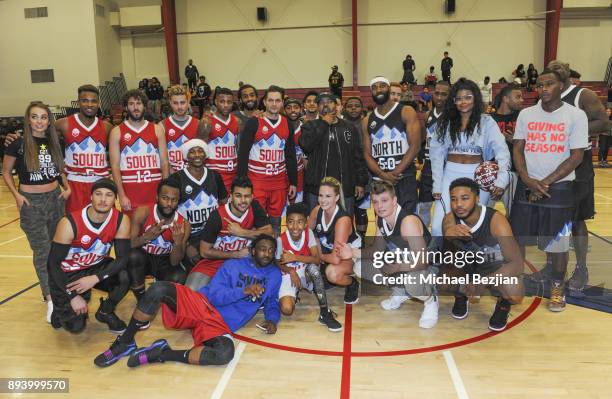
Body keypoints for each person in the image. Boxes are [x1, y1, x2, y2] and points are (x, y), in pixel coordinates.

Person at [93, 234, 281, 368]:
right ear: (252, 251)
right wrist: (244, 291)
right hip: (203, 305)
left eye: (271, 251)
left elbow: (271, 300)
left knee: (225, 353)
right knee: (158, 289)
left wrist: (273, 320)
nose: (267, 254)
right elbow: (215, 296)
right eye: (262, 249)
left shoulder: (274, 275)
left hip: (220, 325)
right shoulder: (233, 265)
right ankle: (125, 342)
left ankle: (162, 353)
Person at [511, 68, 588, 311]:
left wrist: (544, 183)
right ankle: (515, 281)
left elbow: (576, 157)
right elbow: (517, 149)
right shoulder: (526, 114)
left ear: (562, 86)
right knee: (518, 237)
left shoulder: (576, 116)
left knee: (558, 243)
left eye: (549, 84)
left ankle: (558, 286)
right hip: (527, 184)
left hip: (560, 187)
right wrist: (526, 178)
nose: (543, 89)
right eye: (540, 85)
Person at [530, 61, 609, 295]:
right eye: (552, 65)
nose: (556, 66)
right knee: (549, 219)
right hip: (550, 163)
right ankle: (552, 265)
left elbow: (604, 122)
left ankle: (582, 268)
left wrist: (572, 129)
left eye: (560, 65)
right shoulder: (543, 99)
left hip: (579, 164)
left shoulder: (582, 94)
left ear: (566, 74)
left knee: (576, 220)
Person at [2, 102, 70, 322]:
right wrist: (17, 195)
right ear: (28, 119)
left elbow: (59, 169)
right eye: (35, 117)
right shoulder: (18, 144)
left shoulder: (55, 142)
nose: (39, 121)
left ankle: (60, 290)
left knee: (58, 249)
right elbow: (6, 172)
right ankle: (50, 299)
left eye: (43, 117)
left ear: (49, 120)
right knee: (42, 251)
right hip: (31, 202)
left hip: (55, 199)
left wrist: (66, 187)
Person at [4, 85, 112, 213]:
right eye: (84, 100)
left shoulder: (107, 127)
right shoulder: (64, 124)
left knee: (104, 225)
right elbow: (39, 131)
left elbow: (122, 148)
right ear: (78, 102)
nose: (89, 104)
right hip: (74, 183)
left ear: (98, 103)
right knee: (74, 225)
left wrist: (115, 174)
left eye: (93, 101)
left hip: (99, 183)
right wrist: (17, 137)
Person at [429, 78, 511, 237]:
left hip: (478, 177)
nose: (463, 102)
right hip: (449, 175)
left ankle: (473, 260)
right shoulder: (445, 123)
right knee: (439, 226)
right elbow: (436, 156)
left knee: (475, 227)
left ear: (475, 98)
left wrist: (501, 180)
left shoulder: (487, 122)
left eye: (468, 97)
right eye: (458, 98)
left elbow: (502, 152)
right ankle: (441, 260)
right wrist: (437, 185)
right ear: (453, 101)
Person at [47, 179, 131, 333]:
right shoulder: (69, 223)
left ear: (115, 199)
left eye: (109, 195)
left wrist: (95, 278)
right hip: (67, 273)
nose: (103, 199)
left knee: (124, 277)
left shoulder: (121, 220)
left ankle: (105, 311)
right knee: (75, 327)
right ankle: (60, 309)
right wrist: (72, 296)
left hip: (95, 267)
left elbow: (123, 259)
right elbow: (52, 265)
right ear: (91, 197)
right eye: (98, 194)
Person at [442, 178, 524, 331]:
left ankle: (503, 305)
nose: (458, 204)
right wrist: (448, 235)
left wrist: (482, 283)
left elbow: (517, 264)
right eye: (454, 199)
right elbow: (447, 257)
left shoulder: (496, 221)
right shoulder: (450, 220)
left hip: (493, 267)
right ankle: (461, 296)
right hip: (469, 266)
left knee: (514, 292)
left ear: (477, 198)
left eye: (465, 198)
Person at [360, 180, 439, 328]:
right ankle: (401, 291)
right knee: (359, 266)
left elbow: (423, 261)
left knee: (412, 282)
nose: (379, 206)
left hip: (430, 266)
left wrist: (397, 267)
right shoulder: (381, 219)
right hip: (405, 262)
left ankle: (430, 300)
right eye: (375, 202)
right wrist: (351, 252)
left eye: (384, 200)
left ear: (394, 200)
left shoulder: (407, 222)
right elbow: (376, 250)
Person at [186, 177, 273, 290]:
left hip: (245, 261)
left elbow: (270, 234)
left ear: (252, 197)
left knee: (261, 287)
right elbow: (204, 251)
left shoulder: (254, 207)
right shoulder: (217, 216)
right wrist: (234, 254)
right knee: (191, 289)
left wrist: (241, 232)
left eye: (247, 196)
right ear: (230, 196)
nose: (243, 200)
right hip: (217, 261)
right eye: (238, 196)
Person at [237, 85, 297, 235]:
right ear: (264, 102)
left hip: (279, 182)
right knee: (257, 222)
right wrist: (242, 181)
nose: (274, 104)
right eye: (271, 100)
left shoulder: (287, 123)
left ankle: (274, 254)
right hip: (257, 181)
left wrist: (293, 182)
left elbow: (290, 155)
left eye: (278, 100)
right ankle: (257, 255)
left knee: (276, 223)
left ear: (283, 102)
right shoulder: (254, 122)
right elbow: (243, 154)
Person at [300, 93, 368, 215]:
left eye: (329, 102)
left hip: (345, 187)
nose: (325, 104)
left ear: (336, 105)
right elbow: (306, 146)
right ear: (317, 107)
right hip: (317, 189)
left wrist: (360, 182)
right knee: (315, 225)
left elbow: (358, 157)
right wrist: (324, 123)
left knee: (344, 223)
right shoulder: (309, 126)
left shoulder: (349, 127)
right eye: (321, 103)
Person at [277, 203, 342, 331]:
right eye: (291, 222)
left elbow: (317, 260)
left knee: (313, 269)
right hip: (289, 275)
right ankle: (293, 295)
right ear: (286, 223)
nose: (295, 226)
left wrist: (295, 257)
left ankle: (324, 313)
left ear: (306, 223)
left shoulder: (309, 233)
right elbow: (277, 263)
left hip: (306, 274)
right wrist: (290, 270)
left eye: (300, 222)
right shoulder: (280, 239)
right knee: (286, 310)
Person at [363, 76, 421, 213]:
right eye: (374, 87)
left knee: (408, 222)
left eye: (382, 86)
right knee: (384, 225)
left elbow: (415, 146)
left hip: (404, 178)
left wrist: (394, 173)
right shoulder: (366, 120)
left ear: (388, 89)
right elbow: (367, 153)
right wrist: (382, 174)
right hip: (379, 180)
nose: (378, 89)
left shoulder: (406, 111)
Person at [168, 139, 227, 271]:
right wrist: (186, 244)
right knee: (195, 266)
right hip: (189, 236)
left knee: (222, 265)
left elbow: (224, 204)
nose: (197, 155)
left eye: (200, 151)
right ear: (186, 157)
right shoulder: (176, 178)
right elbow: (169, 211)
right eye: (192, 152)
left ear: (205, 154)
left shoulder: (215, 176)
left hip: (213, 233)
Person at [128, 179, 191, 302]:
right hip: (144, 257)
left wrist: (177, 243)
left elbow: (174, 262)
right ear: (157, 197)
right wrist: (146, 237)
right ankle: (141, 298)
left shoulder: (184, 224)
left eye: (174, 200)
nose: (169, 203)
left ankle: (160, 291)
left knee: (179, 276)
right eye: (165, 198)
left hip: (165, 260)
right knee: (132, 256)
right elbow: (127, 245)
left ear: (178, 201)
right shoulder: (143, 212)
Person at [109, 89, 170, 217]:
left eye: (139, 103)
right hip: (130, 192)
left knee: (157, 229)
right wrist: (121, 195)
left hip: (154, 189)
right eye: (131, 104)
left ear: (144, 106)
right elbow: (114, 166)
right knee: (133, 233)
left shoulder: (157, 129)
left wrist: (164, 192)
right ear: (126, 107)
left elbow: (164, 163)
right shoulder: (117, 131)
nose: (135, 107)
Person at [309, 177, 361, 304]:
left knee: (332, 273)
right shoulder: (317, 210)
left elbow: (336, 258)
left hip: (351, 255)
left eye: (328, 196)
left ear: (337, 198)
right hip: (330, 250)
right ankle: (325, 272)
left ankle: (352, 283)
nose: (323, 200)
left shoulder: (342, 220)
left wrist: (317, 256)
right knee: (311, 240)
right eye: (321, 195)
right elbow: (305, 231)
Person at [418, 81, 450, 227]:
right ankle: (424, 236)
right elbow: (424, 139)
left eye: (444, 94)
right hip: (429, 164)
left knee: (446, 204)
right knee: (424, 204)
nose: (439, 97)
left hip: (448, 164)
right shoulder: (427, 115)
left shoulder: (453, 115)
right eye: (437, 93)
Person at [201, 87, 242, 194]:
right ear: (215, 102)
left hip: (232, 173)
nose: (225, 105)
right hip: (214, 174)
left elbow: (239, 149)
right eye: (222, 101)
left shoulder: (238, 122)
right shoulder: (207, 121)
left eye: (229, 102)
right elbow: (199, 151)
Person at [490, 84, 524, 215]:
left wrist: (515, 141)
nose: (522, 100)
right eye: (518, 97)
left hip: (515, 172)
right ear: (505, 99)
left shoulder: (523, 118)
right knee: (483, 212)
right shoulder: (489, 119)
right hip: (491, 173)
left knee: (514, 214)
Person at [161, 85, 201, 173]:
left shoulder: (198, 124)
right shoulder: (162, 126)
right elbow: (160, 158)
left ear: (188, 102)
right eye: (175, 103)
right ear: (170, 103)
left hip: (194, 175)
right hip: (173, 177)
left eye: (182, 102)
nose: (179, 107)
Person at [283, 98, 305, 203]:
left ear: (300, 109)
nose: (292, 110)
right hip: (281, 176)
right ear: (284, 110)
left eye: (296, 107)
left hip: (299, 176)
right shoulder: (280, 127)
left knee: (297, 212)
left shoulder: (306, 128)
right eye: (288, 108)